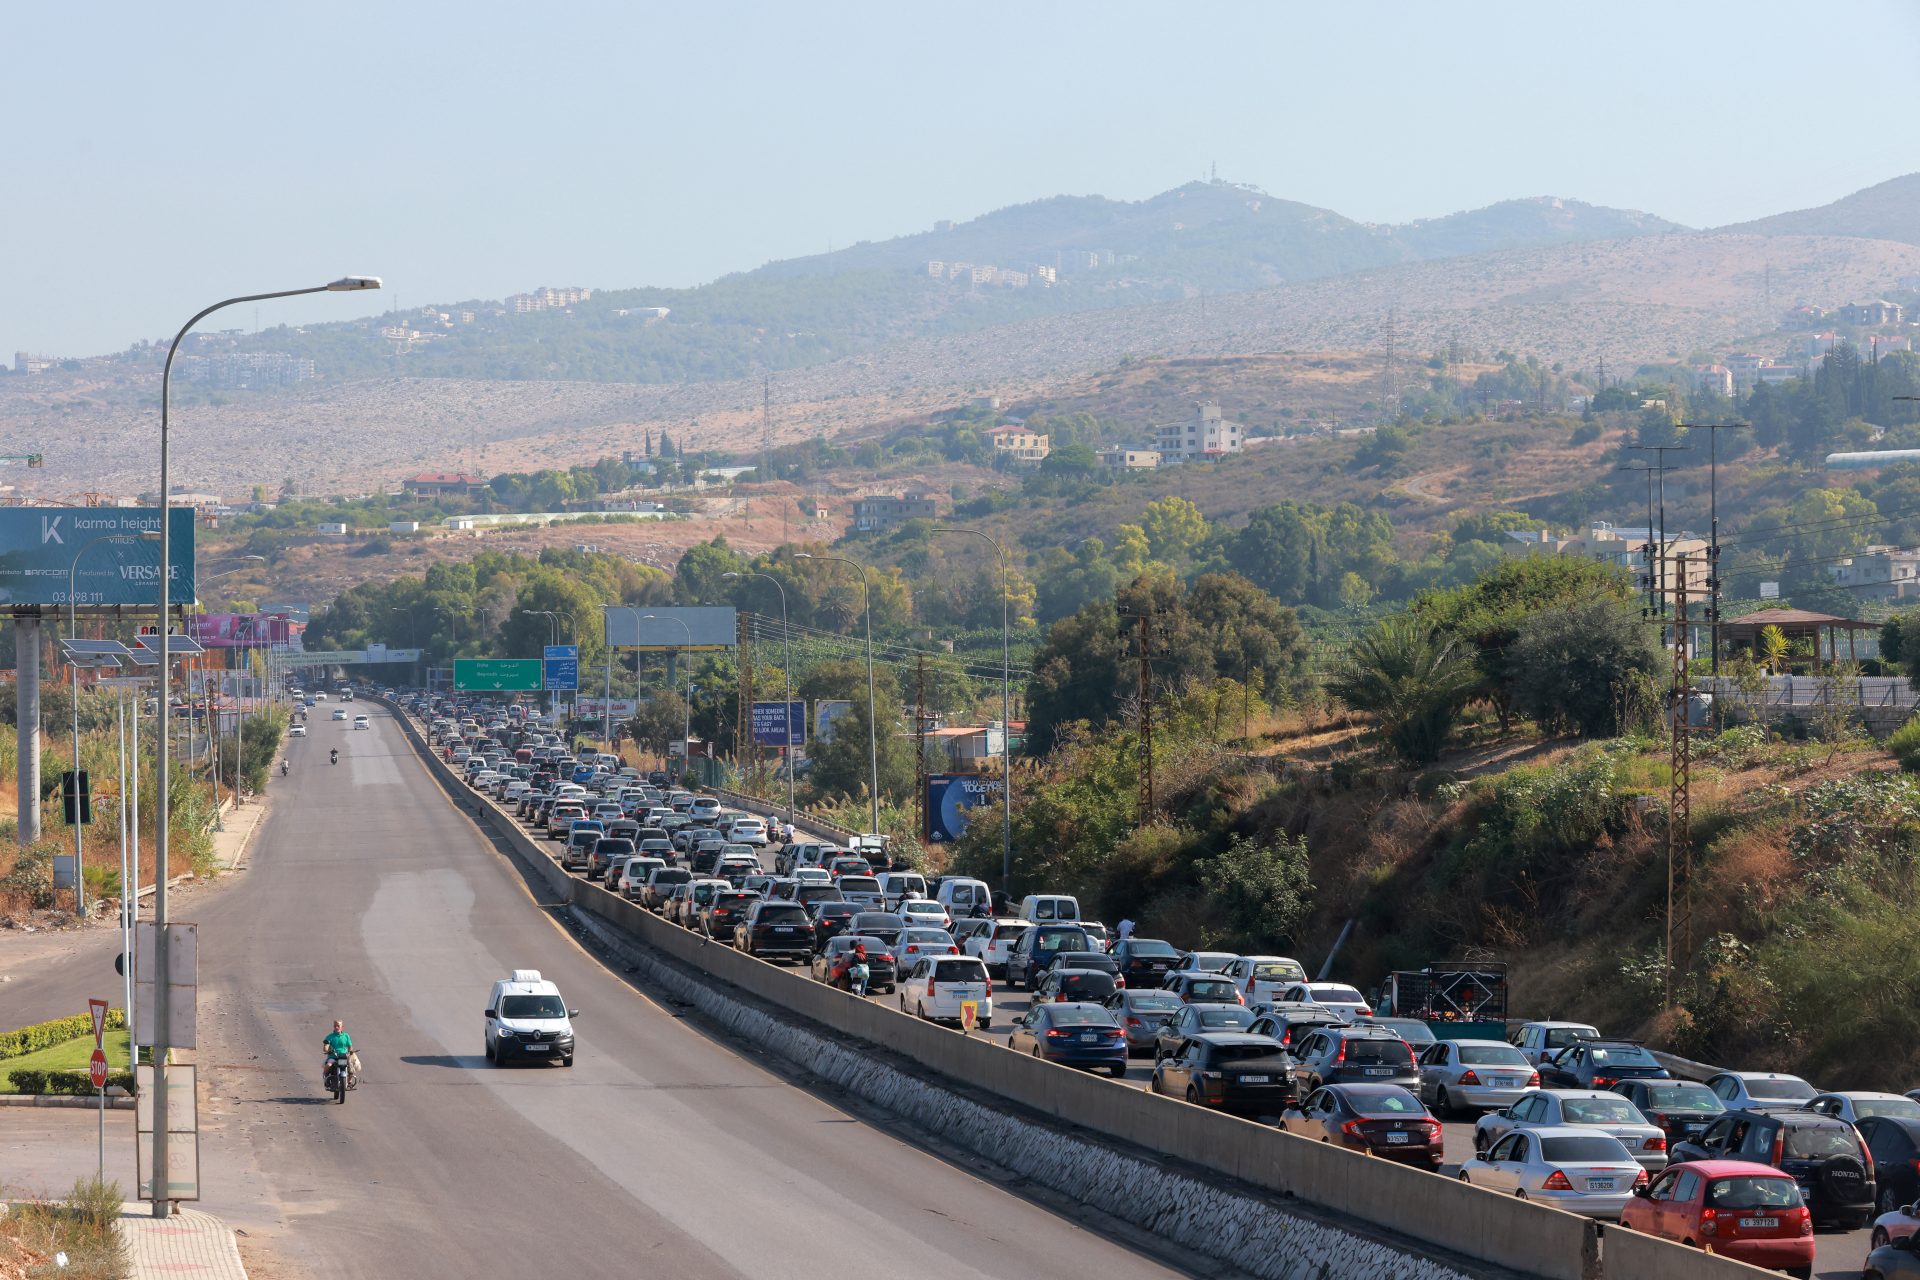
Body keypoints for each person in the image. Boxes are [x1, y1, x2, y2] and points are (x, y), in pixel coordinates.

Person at [322, 1019, 356, 1086]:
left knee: (351, 1068)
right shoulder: (329, 1037)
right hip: (333, 1057)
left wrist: (350, 1051)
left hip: (343, 1056)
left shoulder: (346, 1036)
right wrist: (328, 1050)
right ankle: (325, 1077)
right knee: (329, 1065)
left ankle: (349, 1081)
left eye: (338, 1026)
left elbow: (350, 1047)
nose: (336, 1027)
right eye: (335, 1026)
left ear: (342, 1027)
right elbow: (325, 1048)